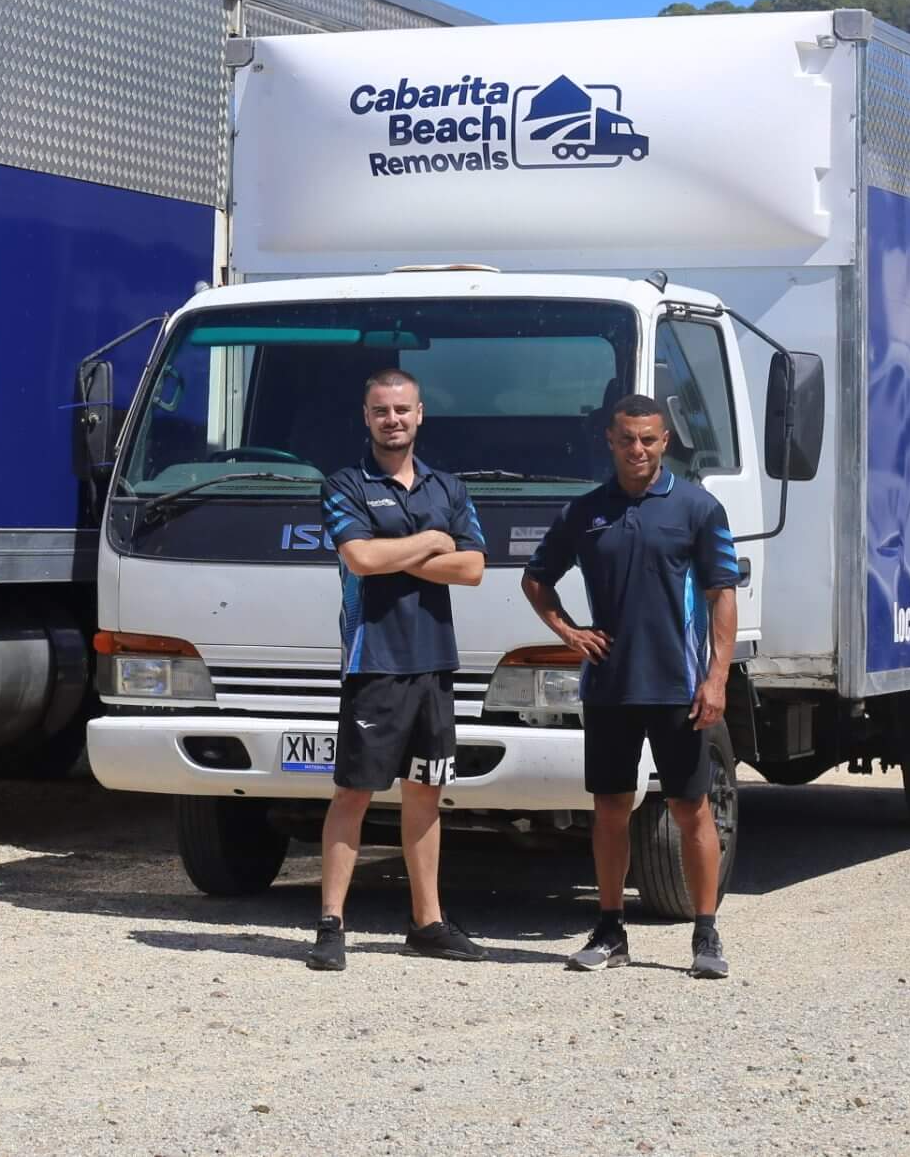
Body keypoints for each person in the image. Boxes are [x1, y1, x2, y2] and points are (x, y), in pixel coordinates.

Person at [521, 394, 741, 980]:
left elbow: (723, 595)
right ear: (610, 441)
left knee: (690, 809)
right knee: (611, 809)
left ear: (665, 441)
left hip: (681, 687)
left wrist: (716, 678)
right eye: (627, 439)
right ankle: (611, 928)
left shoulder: (699, 509)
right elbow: (536, 579)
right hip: (611, 688)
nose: (637, 449)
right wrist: (569, 632)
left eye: (648, 439)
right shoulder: (585, 512)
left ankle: (706, 934)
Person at [305, 368, 490, 971]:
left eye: (403, 409)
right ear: (366, 416)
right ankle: (331, 925)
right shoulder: (344, 484)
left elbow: (472, 570)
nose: (393, 420)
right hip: (373, 662)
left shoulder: (448, 486)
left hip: (434, 662)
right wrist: (433, 540)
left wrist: (398, 553)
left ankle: (428, 922)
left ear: (420, 414)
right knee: (354, 792)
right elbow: (358, 559)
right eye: (381, 410)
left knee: (425, 792)